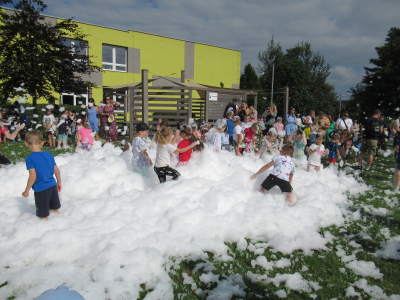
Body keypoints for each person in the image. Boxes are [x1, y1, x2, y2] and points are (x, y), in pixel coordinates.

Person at [22, 130, 62, 220]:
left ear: (26, 143)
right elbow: (57, 171)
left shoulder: (30, 159)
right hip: (52, 186)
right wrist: (59, 182)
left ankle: (45, 229)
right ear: (43, 143)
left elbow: (33, 176)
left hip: (41, 190)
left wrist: (26, 190)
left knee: (43, 216)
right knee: (54, 210)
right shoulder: (48, 154)